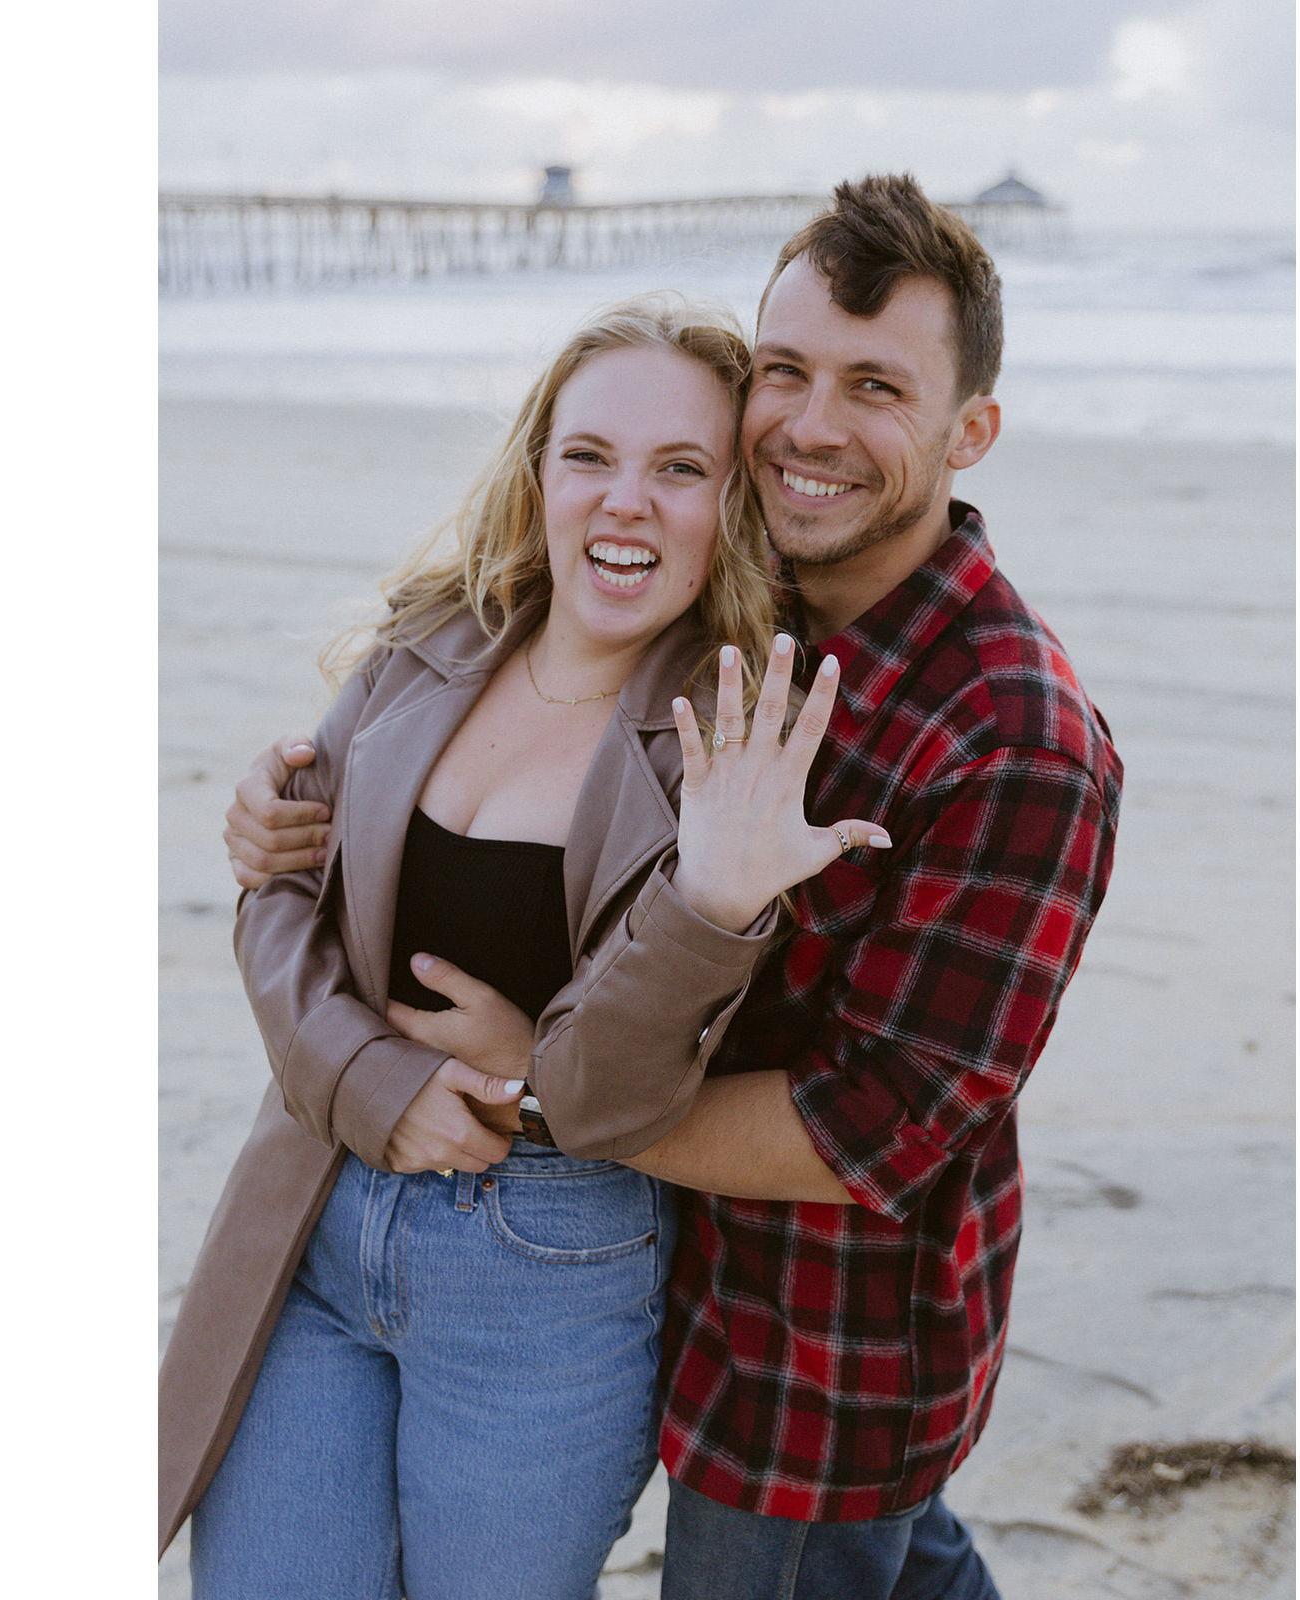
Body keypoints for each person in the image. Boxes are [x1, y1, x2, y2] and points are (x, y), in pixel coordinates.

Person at [222, 175, 1125, 1600]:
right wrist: (289, 829)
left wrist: (547, 1086)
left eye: (877, 387)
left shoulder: (1015, 740)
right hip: (629, 1259)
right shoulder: (729, 614)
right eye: (786, 371)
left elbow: (875, 1130)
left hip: (807, 1348)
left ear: (971, 433)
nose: (811, 426)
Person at [159, 294, 890, 1597]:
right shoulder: (430, 642)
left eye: (681, 468)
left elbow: (618, 1098)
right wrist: (372, 1083)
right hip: (316, 1210)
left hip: (547, 1268)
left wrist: (711, 907)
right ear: (539, 469)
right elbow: (281, 899)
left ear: (730, 505)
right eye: (590, 455)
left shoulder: (727, 732)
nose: (626, 501)